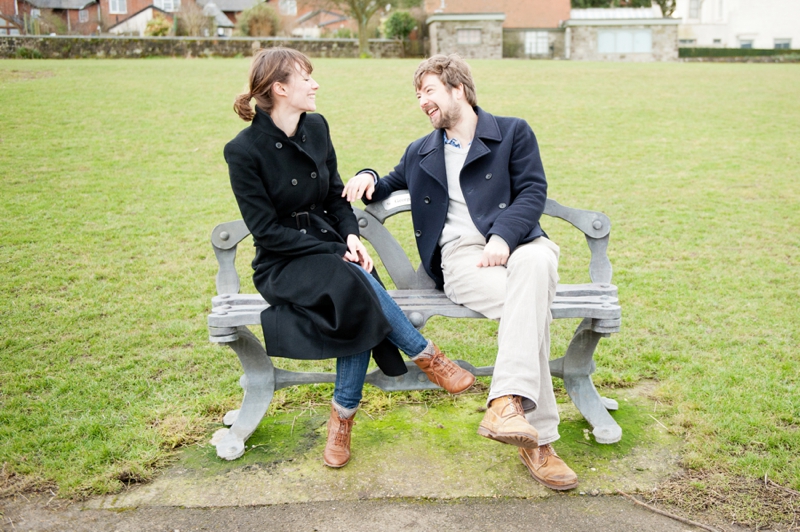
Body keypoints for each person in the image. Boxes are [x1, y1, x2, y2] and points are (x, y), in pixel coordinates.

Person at [223, 48, 475, 469]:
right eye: (307, 78)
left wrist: (351, 236)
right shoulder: (243, 151)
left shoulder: (317, 127)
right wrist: (338, 250)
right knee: (351, 280)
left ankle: (342, 418)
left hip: (332, 249)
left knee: (352, 291)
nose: (315, 84)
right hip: (283, 261)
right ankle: (426, 355)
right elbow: (266, 231)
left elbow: (337, 197)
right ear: (281, 88)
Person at [342, 54, 578, 490]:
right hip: (462, 261)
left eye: (428, 91)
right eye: (417, 95)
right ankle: (536, 439)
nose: (421, 102)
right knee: (533, 308)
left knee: (540, 261)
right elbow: (387, 182)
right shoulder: (421, 151)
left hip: (518, 243)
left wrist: (503, 237)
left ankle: (507, 405)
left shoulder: (512, 132)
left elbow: (532, 191)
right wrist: (366, 174)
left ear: (459, 90)